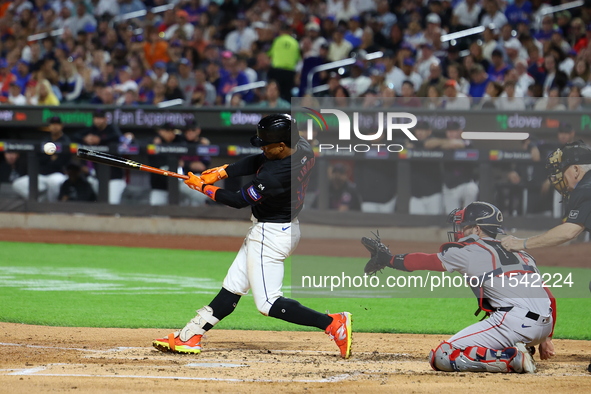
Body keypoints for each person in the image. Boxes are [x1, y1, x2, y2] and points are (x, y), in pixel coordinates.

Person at [152, 114, 352, 359]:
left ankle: (333, 323)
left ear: (281, 146)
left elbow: (238, 200)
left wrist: (203, 187)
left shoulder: (276, 176)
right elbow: (258, 159)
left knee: (268, 304)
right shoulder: (301, 147)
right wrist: (224, 171)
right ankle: (190, 336)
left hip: (270, 235)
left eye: (267, 144)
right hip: (279, 228)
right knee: (232, 288)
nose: (262, 148)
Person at [362, 201, 556, 373]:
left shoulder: (469, 251)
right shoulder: (521, 253)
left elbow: (425, 261)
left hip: (513, 324)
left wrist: (389, 259)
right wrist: (546, 338)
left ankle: (510, 358)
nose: (460, 231)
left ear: (478, 229)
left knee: (443, 355)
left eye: (466, 226)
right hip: (544, 325)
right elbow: (550, 298)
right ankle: (523, 347)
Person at [501, 140, 591, 373]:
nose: (557, 180)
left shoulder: (586, 186)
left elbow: (570, 230)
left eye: (561, 172)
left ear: (576, 170)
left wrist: (522, 243)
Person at [73, 109, 126, 205]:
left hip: (114, 176)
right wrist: (84, 138)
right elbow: (75, 136)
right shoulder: (92, 130)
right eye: (96, 118)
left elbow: (119, 137)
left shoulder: (112, 129)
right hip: (98, 176)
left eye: (101, 118)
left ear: (106, 119)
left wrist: (100, 139)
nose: (98, 120)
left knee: (112, 204)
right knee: (101, 204)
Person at [12, 116, 71, 202]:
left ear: (61, 126)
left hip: (57, 174)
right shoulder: (45, 140)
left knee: (54, 183)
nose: (55, 126)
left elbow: (61, 162)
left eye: (57, 124)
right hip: (42, 175)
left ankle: (53, 207)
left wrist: (49, 157)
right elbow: (40, 159)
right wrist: (51, 157)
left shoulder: (66, 141)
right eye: (52, 124)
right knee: (17, 184)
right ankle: (38, 202)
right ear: (49, 126)